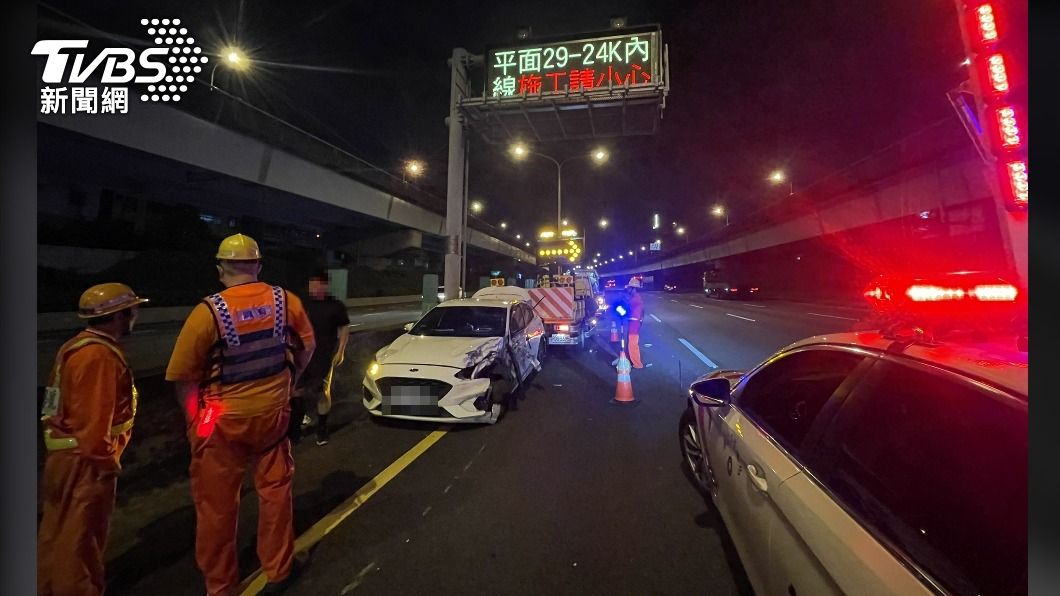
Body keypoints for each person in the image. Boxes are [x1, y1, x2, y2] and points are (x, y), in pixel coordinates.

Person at [165, 234, 315, 596]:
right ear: (258, 267)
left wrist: (195, 421)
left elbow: (184, 377)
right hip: (273, 415)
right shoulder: (284, 301)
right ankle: (279, 569)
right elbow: (307, 346)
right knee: (276, 492)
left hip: (221, 422)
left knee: (217, 508)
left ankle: (221, 586)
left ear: (221, 270)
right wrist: (289, 380)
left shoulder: (208, 312)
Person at [38, 283, 148, 596]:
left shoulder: (74, 347)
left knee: (56, 535)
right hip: (85, 464)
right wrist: (106, 463)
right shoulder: (99, 357)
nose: (135, 315)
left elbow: (53, 403)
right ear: (120, 315)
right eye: (132, 309)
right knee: (81, 542)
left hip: (63, 457)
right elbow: (93, 424)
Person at [290, 270, 350, 446]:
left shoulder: (335, 306)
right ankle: (296, 429)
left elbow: (345, 327)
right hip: (301, 355)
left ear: (325, 285)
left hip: (324, 356)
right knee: (296, 391)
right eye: (311, 284)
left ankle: (322, 429)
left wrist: (341, 351)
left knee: (321, 392)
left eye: (317, 284)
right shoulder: (302, 304)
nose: (313, 287)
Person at [626, 278, 646, 368]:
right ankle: (635, 361)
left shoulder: (635, 299)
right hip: (635, 324)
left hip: (634, 325)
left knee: (632, 345)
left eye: (630, 288)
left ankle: (637, 364)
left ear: (634, 289)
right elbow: (643, 311)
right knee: (632, 344)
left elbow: (628, 309)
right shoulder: (636, 298)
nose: (628, 290)